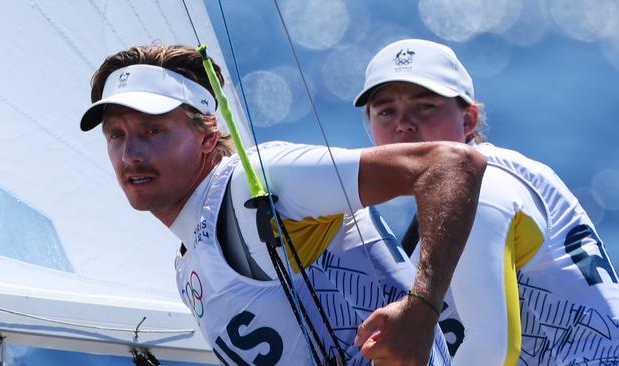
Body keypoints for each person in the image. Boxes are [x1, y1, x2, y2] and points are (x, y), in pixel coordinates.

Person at [79, 44, 487, 366]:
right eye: (116, 135)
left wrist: (423, 307)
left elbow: (452, 164)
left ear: (207, 136)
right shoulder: (189, 266)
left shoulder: (258, 180)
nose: (131, 153)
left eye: (153, 130)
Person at [353, 38, 619, 365]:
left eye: (425, 106)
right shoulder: (470, 192)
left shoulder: (484, 189)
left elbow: (492, 350)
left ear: (469, 121)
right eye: (386, 111)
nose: (403, 124)